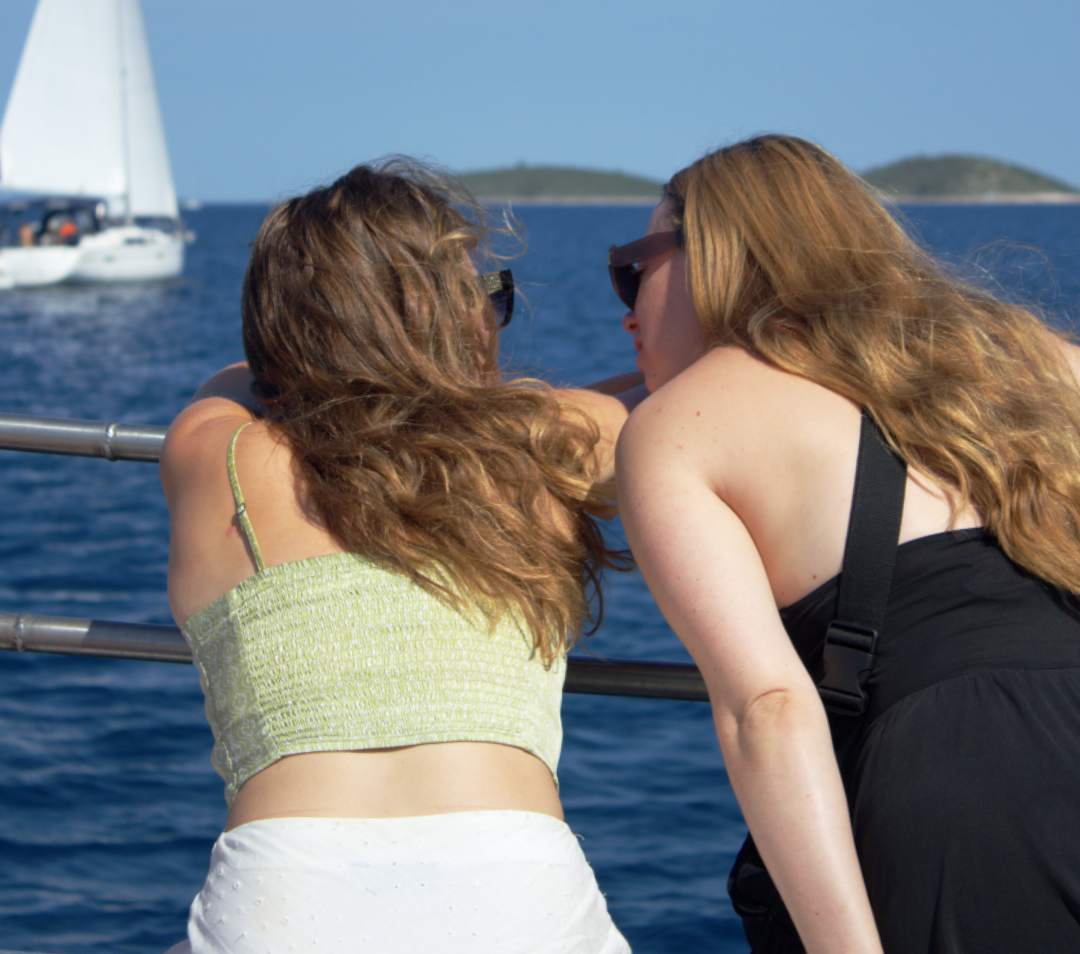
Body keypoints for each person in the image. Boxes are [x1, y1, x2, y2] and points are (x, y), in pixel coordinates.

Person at [611, 134, 1080, 954]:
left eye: (633, 267)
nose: (623, 309)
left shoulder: (678, 428)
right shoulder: (1037, 364)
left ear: (713, 255)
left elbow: (769, 708)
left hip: (958, 785)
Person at [161, 159, 637, 954]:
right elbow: (679, 395)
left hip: (283, 898)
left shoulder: (218, 453)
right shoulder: (554, 441)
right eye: (482, 300)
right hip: (516, 895)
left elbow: (227, 382)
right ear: (448, 321)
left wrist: (341, 363)